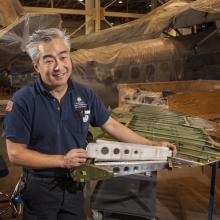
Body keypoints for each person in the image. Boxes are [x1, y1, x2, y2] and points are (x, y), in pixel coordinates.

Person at [3, 28, 176, 220]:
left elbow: (111, 125)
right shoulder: (23, 101)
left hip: (75, 183)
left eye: (63, 57)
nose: (59, 66)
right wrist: (62, 161)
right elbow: (15, 154)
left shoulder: (84, 94)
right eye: (49, 60)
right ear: (36, 66)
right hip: (41, 187)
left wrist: (152, 144)